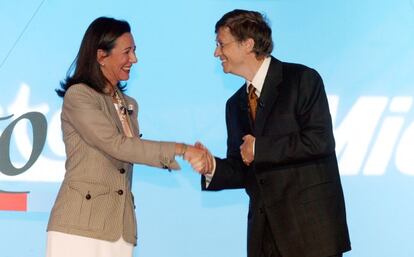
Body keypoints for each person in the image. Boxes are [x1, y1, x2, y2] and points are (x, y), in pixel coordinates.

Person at [189, 9, 351, 257]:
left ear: (247, 44)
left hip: (310, 234)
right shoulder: (234, 105)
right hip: (265, 237)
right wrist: (211, 167)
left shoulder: (301, 80)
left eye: (221, 45)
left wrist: (259, 148)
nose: (216, 53)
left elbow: (320, 141)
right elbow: (242, 166)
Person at [46, 17, 203, 257]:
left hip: (119, 227)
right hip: (78, 227)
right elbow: (117, 146)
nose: (134, 59)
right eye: (127, 52)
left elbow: (130, 148)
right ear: (101, 56)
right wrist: (181, 149)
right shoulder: (79, 96)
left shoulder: (128, 104)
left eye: (135, 51)